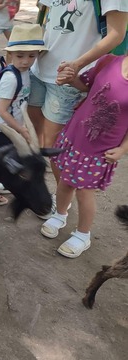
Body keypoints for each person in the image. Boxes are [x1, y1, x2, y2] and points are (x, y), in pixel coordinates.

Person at [28, 0, 127, 219]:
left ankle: (61, 201)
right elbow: (45, 13)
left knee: (54, 147)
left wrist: (77, 65)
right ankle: (34, 184)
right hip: (39, 67)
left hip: (68, 75)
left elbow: (117, 34)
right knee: (40, 138)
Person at [40, 54, 128, 259]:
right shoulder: (109, 61)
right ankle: (60, 214)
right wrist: (71, 77)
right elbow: (85, 84)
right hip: (75, 135)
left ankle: (82, 235)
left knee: (84, 191)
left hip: (100, 149)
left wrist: (123, 149)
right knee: (64, 181)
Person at [0, 24, 47, 206]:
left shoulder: (26, 72)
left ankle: (0, 185)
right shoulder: (10, 78)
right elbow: (1, 110)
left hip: (14, 127)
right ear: (10, 55)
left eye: (32, 56)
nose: (26, 61)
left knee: (10, 161)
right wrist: (21, 129)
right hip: (4, 130)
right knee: (0, 163)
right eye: (20, 56)